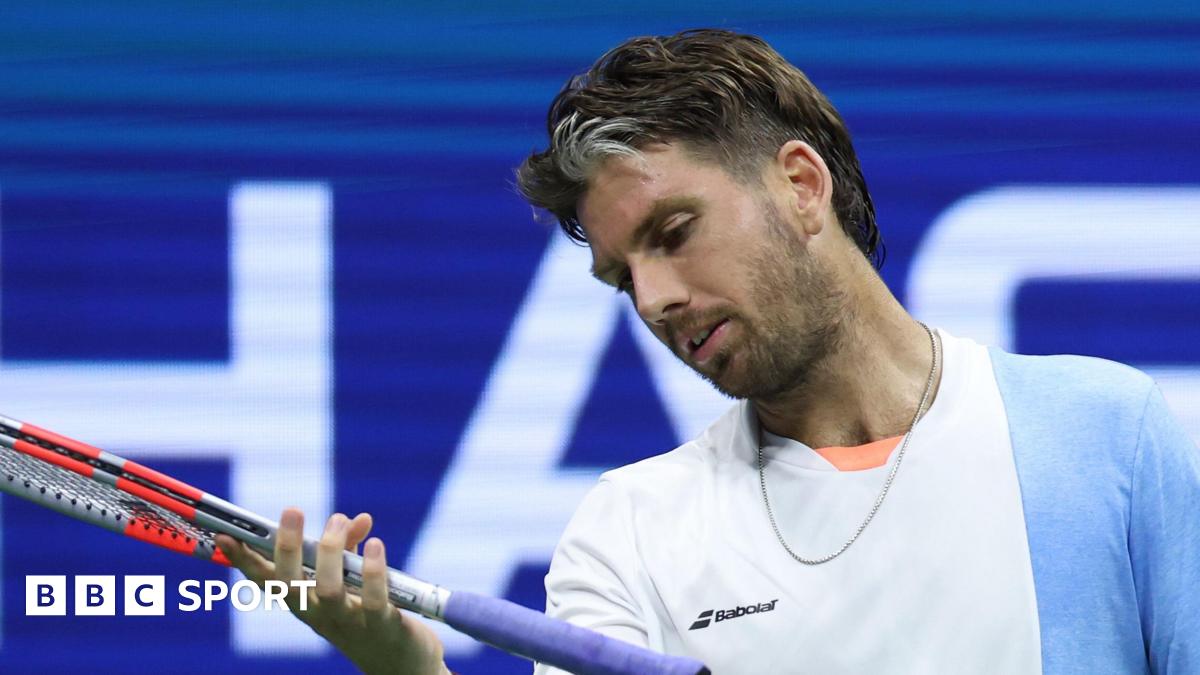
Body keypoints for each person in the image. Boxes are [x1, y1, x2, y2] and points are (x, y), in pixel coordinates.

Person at [218, 29, 1199, 674]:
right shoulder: (630, 533)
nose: (654, 299)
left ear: (801, 187)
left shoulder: (1106, 436)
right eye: (621, 276)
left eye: (673, 232)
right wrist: (408, 667)